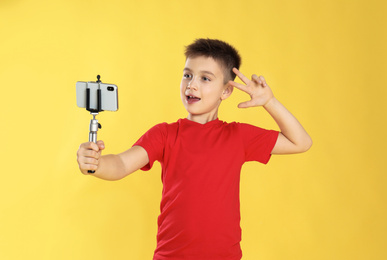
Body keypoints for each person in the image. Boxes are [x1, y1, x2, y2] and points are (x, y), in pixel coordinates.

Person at [77, 38, 312, 260]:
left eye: (205, 78)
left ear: (227, 91)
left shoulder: (238, 136)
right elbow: (121, 164)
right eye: (187, 75)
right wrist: (96, 164)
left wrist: (269, 102)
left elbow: (300, 142)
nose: (192, 85)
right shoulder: (165, 134)